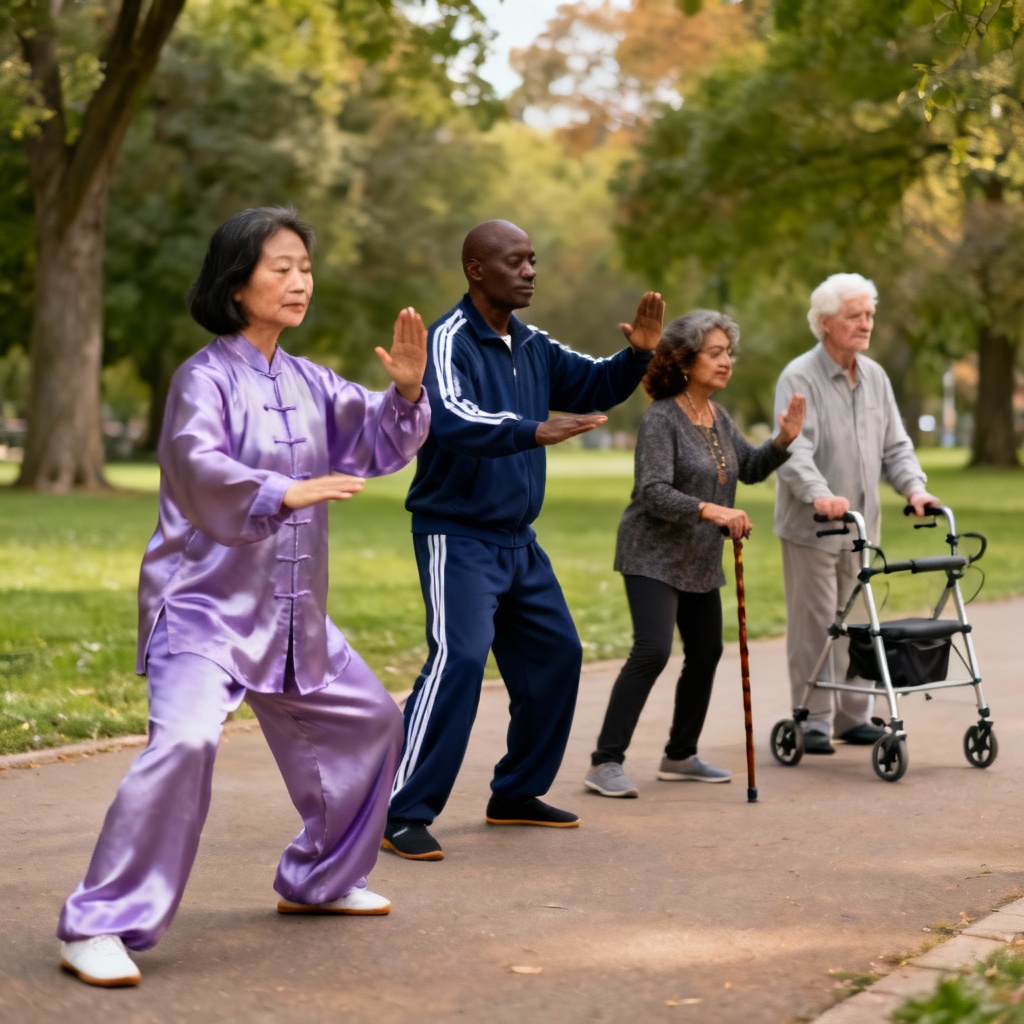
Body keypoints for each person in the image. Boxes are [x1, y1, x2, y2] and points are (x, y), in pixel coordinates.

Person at [56, 207, 431, 987]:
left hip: (293, 616)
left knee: (370, 719)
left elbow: (379, 437)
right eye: (281, 267)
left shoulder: (309, 379)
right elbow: (196, 467)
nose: (300, 281)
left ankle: (320, 880)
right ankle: (100, 922)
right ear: (236, 283)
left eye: (305, 267)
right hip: (201, 610)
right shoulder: (203, 378)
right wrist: (284, 492)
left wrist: (403, 393)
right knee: (187, 742)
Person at [381, 219, 665, 860]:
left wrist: (638, 355)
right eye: (517, 261)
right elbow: (452, 417)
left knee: (557, 654)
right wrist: (530, 429)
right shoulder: (446, 340)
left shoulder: (532, 345)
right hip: (456, 535)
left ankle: (515, 792)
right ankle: (398, 809)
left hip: (517, 540)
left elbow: (594, 382)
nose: (531, 270)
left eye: (534, 259)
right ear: (477, 269)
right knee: (458, 660)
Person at [584, 311, 805, 798]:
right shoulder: (663, 417)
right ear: (684, 360)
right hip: (652, 553)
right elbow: (653, 492)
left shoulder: (717, 416)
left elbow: (747, 469)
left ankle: (680, 755)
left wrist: (783, 439)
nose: (727, 361)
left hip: (699, 557)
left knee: (706, 651)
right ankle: (605, 762)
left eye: (729, 352)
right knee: (654, 649)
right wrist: (712, 511)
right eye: (715, 352)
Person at [773, 272, 938, 755]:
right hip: (813, 528)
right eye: (854, 315)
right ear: (826, 323)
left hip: (863, 529)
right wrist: (819, 493)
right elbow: (793, 451)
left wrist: (916, 489)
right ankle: (814, 719)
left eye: (869, 314)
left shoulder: (875, 376)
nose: (866, 323)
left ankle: (852, 716)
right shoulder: (799, 376)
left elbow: (896, 446)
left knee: (860, 626)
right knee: (817, 628)